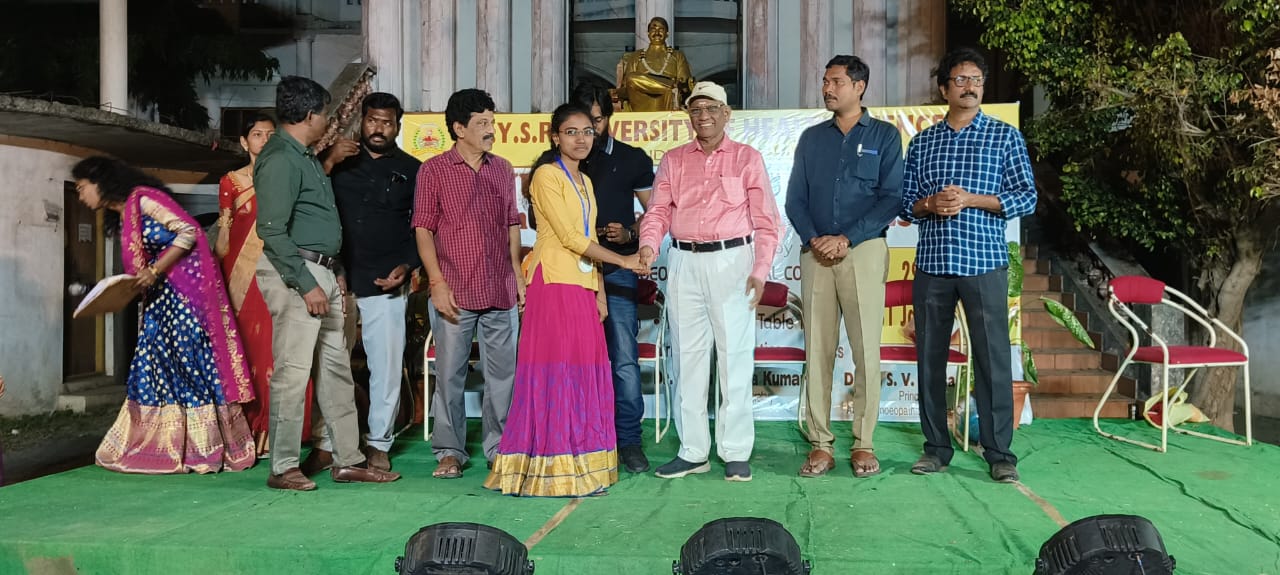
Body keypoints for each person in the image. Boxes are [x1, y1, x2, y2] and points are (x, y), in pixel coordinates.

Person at [484, 104, 648, 497]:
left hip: (582, 284)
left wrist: (600, 290)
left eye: (587, 132)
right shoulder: (546, 175)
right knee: (557, 375)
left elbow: (587, 237)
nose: (581, 139)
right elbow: (571, 239)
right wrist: (624, 260)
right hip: (553, 282)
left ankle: (582, 467)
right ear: (555, 136)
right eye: (571, 132)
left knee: (584, 373)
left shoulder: (585, 180)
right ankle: (551, 468)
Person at [255, 75, 401, 490]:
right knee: (293, 371)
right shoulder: (280, 158)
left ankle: (348, 459)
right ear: (308, 116)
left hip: (321, 270)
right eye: (325, 114)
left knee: (336, 369)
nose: (329, 122)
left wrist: (332, 270)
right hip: (296, 273)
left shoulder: (303, 156)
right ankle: (283, 466)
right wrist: (306, 282)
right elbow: (272, 231)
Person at [900, 48, 1037, 483]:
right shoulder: (922, 142)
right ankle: (936, 448)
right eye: (960, 80)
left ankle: (999, 454)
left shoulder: (1004, 137)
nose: (970, 87)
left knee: (993, 359)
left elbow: (1026, 197)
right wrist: (931, 203)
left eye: (976, 80)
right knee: (930, 359)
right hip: (934, 264)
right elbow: (905, 203)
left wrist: (972, 199)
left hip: (984, 263)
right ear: (944, 89)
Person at [70, 156, 256, 474]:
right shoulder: (124, 214)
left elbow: (188, 231)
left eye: (81, 187)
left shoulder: (144, 199)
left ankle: (205, 448)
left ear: (101, 182)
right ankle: (159, 446)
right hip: (160, 298)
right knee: (154, 364)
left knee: (189, 362)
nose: (81, 196)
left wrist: (155, 270)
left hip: (187, 292)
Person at [639, 81, 782, 482]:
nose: (703, 116)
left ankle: (735, 451)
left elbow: (767, 222)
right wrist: (649, 245)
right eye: (696, 110)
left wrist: (759, 271)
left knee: (735, 357)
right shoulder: (674, 160)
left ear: (726, 114)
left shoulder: (747, 158)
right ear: (689, 115)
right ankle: (693, 451)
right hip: (684, 260)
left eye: (711, 109)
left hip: (732, 260)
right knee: (687, 358)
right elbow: (658, 211)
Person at [786, 55, 904, 479]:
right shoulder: (811, 138)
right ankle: (820, 443)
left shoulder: (885, 136)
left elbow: (892, 198)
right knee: (817, 349)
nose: (827, 88)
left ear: (859, 87)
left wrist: (846, 238)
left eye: (836, 81)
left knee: (865, 349)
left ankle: (863, 443)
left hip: (863, 251)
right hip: (816, 252)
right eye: (825, 81)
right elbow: (795, 199)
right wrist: (816, 237)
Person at [413, 88, 522, 479]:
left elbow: (512, 223)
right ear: (459, 129)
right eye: (482, 123)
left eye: (492, 122)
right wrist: (436, 282)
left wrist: (517, 274)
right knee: (450, 374)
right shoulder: (434, 170)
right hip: (454, 290)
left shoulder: (502, 168)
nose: (491, 129)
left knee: (503, 376)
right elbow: (423, 229)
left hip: (499, 288)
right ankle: (449, 451)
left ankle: (500, 448)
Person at [330, 92, 422, 472]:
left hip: (387, 280)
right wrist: (328, 158)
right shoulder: (338, 165)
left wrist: (409, 265)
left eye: (387, 122)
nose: (379, 128)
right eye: (372, 120)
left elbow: (423, 225)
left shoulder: (414, 170)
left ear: (398, 126)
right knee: (331, 366)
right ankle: (330, 442)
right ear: (362, 122)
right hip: (336, 278)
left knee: (385, 367)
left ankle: (379, 443)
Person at [214, 113, 315, 457]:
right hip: (240, 276)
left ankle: (276, 432)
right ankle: (243, 431)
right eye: (257, 134)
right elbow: (224, 239)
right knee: (244, 349)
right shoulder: (231, 181)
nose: (264, 140)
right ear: (244, 142)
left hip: (280, 270)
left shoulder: (290, 175)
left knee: (277, 349)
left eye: (271, 134)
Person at [571, 82, 656, 473]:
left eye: (597, 121)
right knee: (574, 359)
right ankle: (581, 435)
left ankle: (629, 441)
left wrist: (630, 234)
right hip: (571, 271)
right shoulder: (558, 162)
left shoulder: (631, 158)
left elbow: (655, 215)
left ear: (610, 117)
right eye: (581, 124)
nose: (589, 132)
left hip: (619, 270)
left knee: (623, 357)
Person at [615, 17, 695, 112]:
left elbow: (685, 84)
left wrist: (678, 85)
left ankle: (670, 89)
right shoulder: (636, 56)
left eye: (661, 29)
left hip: (669, 100)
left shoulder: (677, 55)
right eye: (653, 29)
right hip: (641, 101)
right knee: (631, 77)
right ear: (648, 33)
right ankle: (668, 87)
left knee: (675, 89)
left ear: (667, 34)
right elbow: (626, 86)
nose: (657, 33)